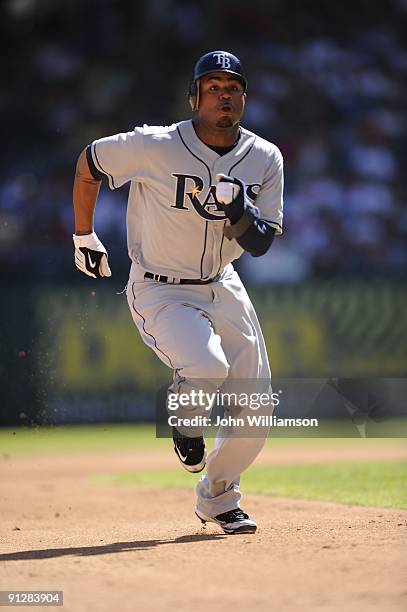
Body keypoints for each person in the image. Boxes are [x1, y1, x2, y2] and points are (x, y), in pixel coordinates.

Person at [72, 50, 284, 535]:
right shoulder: (155, 144)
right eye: (212, 87)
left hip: (223, 283)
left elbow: (262, 244)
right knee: (205, 367)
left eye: (232, 87)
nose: (223, 95)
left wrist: (240, 213)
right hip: (160, 288)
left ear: (244, 99)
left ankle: (218, 498)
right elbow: (88, 162)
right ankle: (186, 423)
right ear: (194, 98)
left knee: (256, 411)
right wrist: (83, 234)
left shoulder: (264, 156)